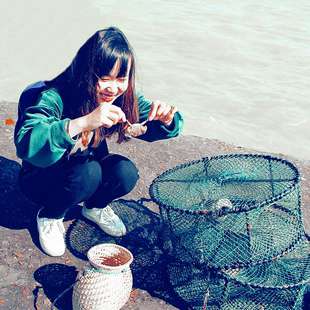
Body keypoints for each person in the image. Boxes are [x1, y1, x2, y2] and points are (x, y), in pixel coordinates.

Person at [14, 26, 184, 257]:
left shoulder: (121, 97)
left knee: (126, 172)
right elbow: (27, 141)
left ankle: (94, 208)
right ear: (85, 72)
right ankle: (50, 215)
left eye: (121, 78)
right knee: (89, 172)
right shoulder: (55, 96)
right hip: (39, 178)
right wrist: (83, 122)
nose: (113, 88)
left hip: (82, 168)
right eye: (104, 78)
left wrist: (167, 118)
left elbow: (150, 121)